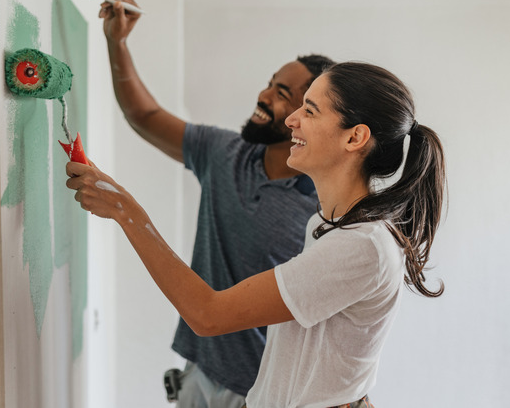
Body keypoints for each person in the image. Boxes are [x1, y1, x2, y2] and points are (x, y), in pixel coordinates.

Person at [65, 61, 446, 407]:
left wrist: (127, 212)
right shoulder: (327, 224)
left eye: (309, 110)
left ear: (354, 137)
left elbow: (208, 315)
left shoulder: (361, 246)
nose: (292, 120)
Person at [98, 0, 334, 407]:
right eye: (270, 82)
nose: (263, 95)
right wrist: (116, 43)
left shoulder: (326, 209)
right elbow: (144, 115)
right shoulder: (225, 153)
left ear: (309, 116)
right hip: (198, 375)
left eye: (282, 93)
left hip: (266, 393)